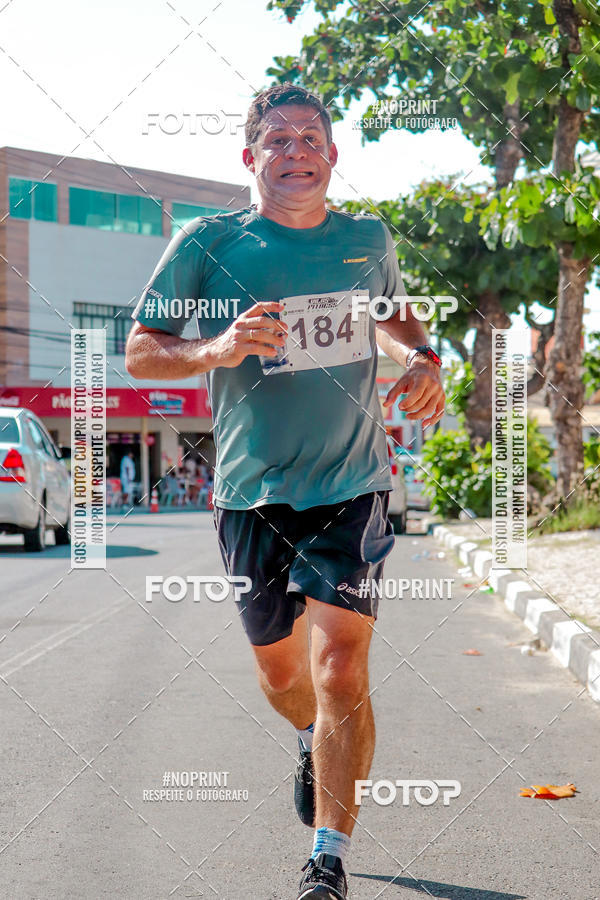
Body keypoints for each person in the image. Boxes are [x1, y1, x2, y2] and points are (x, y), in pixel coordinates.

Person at [125, 83, 445, 899]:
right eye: (277, 140)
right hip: (251, 493)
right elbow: (139, 353)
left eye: (310, 138)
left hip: (352, 483)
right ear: (250, 157)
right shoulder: (208, 242)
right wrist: (216, 348)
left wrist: (425, 358)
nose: (295, 151)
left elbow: (398, 317)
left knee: (342, 664)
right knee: (284, 678)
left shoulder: (367, 238)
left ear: (333, 157)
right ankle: (308, 735)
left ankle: (326, 858)